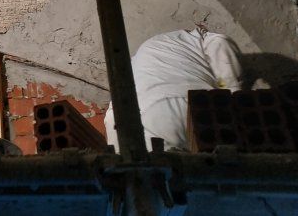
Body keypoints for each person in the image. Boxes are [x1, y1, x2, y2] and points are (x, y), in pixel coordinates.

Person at [104, 26, 242, 152]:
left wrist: (116, 146)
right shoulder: (201, 38)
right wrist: (231, 93)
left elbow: (111, 115)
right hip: (188, 107)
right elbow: (221, 43)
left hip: (143, 127)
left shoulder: (132, 65)